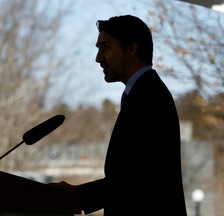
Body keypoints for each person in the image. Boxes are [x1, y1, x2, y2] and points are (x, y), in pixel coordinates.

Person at [50, 15, 187, 216]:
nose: (98, 58)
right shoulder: (142, 93)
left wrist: (77, 196)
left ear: (131, 49)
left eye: (105, 47)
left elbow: (140, 179)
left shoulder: (150, 97)